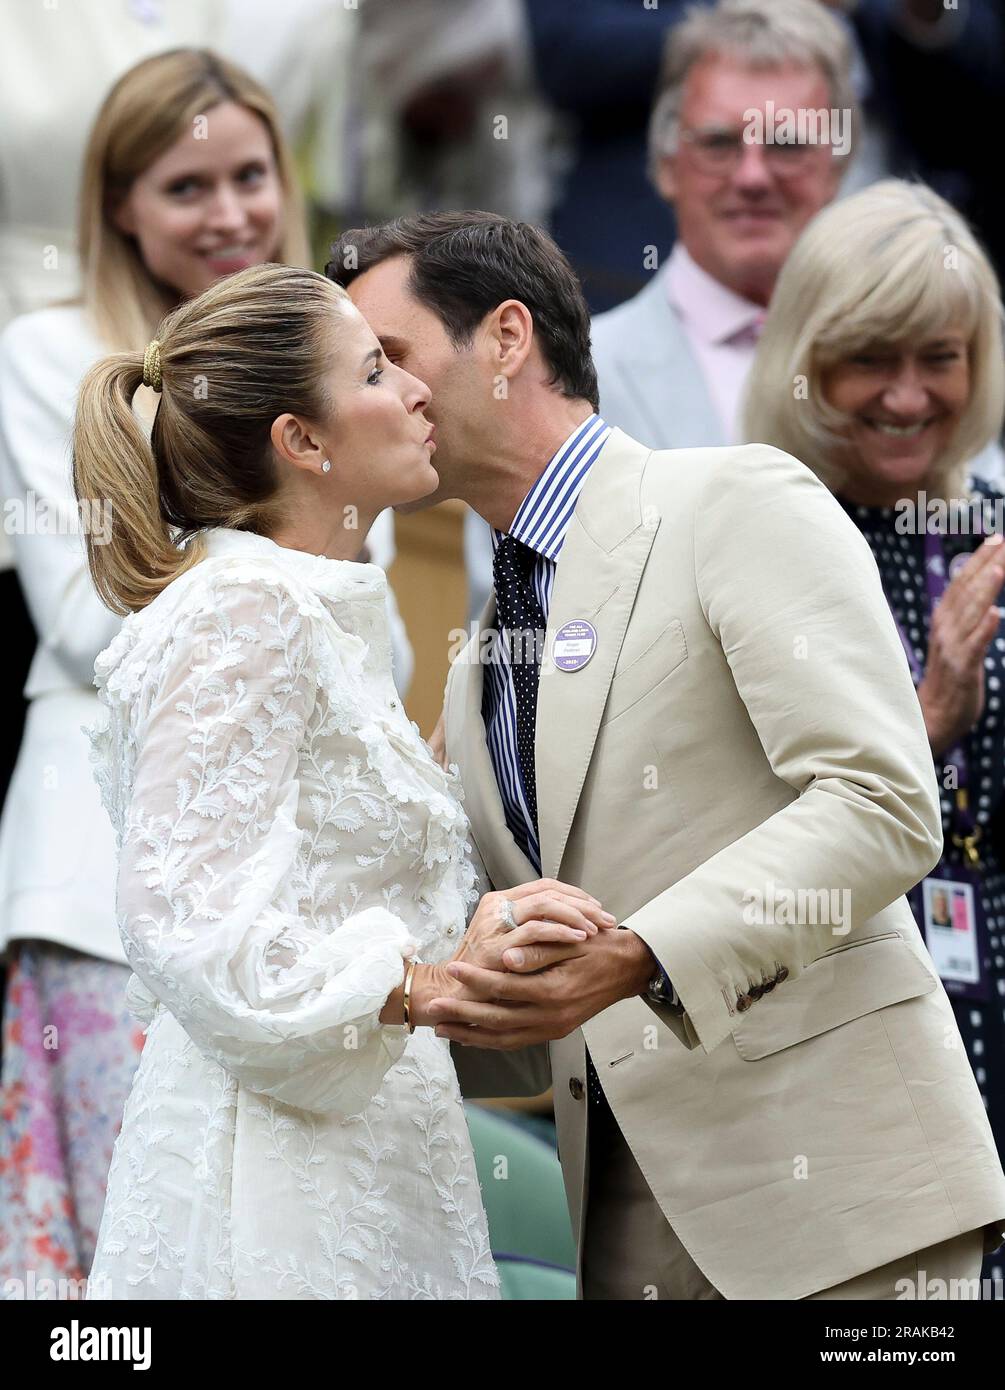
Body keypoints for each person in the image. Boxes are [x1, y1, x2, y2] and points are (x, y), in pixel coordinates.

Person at [329, 209, 1005, 1300]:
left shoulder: (734, 498)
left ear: (507, 340)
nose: (369, 396)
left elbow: (883, 801)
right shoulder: (475, 659)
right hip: (628, 1226)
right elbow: (544, 980)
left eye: (387, 357)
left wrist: (640, 951)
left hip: (848, 1207)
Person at [75, 261, 611, 1300]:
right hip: (273, 1178)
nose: (417, 391)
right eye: (375, 371)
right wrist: (426, 984)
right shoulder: (244, 612)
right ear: (304, 441)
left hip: (369, 1142)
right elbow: (183, 915)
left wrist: (478, 949)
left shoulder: (315, 615)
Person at [0, 47, 358, 1293]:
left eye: (250, 174)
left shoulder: (334, 366)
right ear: (119, 208)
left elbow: (377, 645)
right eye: (185, 186)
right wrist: (277, 545)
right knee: (127, 1265)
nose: (230, 212)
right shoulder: (53, 356)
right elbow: (85, 614)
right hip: (105, 892)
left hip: (291, 910)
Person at [743, 178, 1005, 1288]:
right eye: (871, 359)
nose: (908, 395)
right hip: (847, 1007)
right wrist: (930, 720)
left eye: (939, 358)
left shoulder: (988, 530)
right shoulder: (753, 531)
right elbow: (736, 825)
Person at [589, 0, 1005, 492]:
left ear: (839, 166)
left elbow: (980, 516)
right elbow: (514, 568)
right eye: (720, 143)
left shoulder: (920, 347)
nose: (751, 177)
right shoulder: (576, 371)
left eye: (786, 145)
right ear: (665, 163)